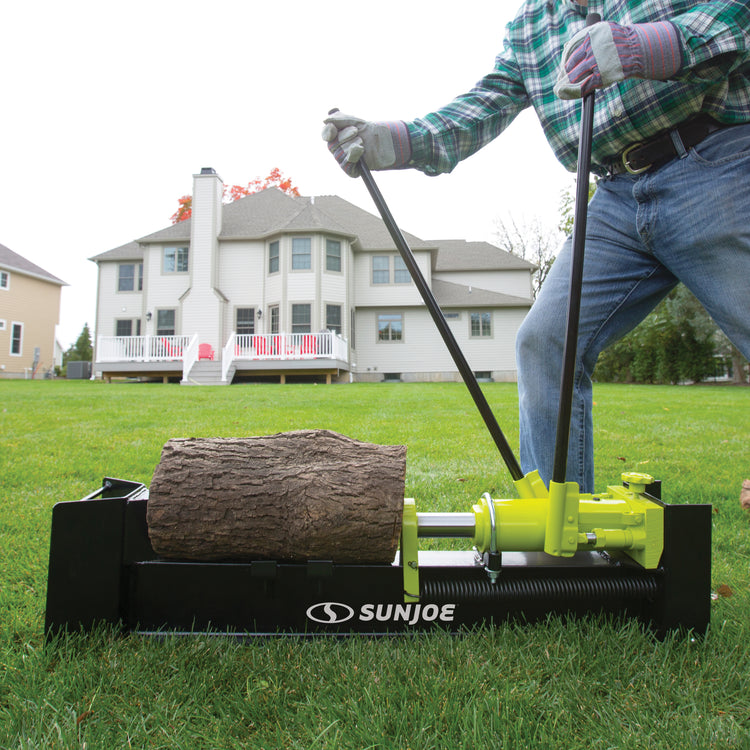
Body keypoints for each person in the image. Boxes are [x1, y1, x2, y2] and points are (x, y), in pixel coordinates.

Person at [322, 0, 750, 493]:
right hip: (613, 193)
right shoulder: (531, 24)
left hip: (715, 160)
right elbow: (481, 106)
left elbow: (736, 15)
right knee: (545, 341)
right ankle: (557, 528)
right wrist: (392, 141)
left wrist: (644, 46)